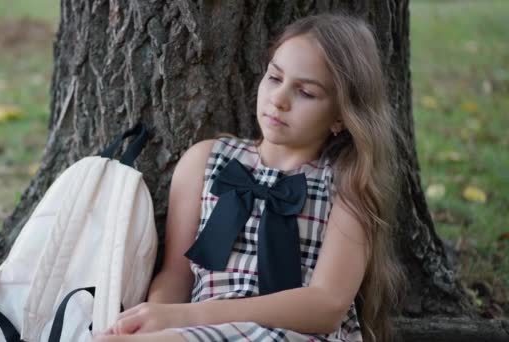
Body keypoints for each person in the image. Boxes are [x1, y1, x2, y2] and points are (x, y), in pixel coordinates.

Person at [94, 13, 406, 342]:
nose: (279, 100)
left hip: (297, 334)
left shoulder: (348, 184)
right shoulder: (205, 161)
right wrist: (155, 316)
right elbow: (176, 272)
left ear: (342, 116)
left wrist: (187, 317)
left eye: (306, 93)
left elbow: (326, 305)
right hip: (198, 331)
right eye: (275, 78)